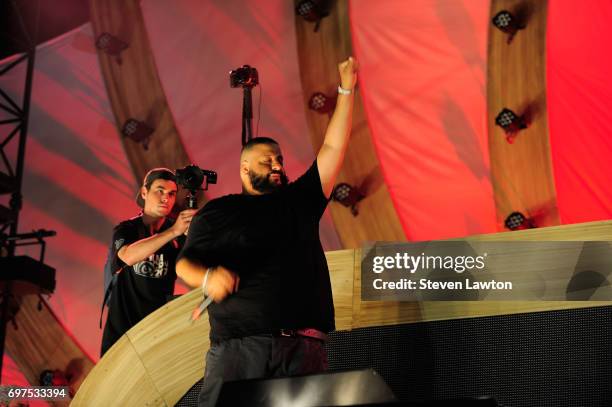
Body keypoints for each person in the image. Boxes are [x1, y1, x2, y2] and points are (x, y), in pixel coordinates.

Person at [176, 56, 358, 405]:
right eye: (267, 160)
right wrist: (207, 277)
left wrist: (346, 89)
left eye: (279, 160)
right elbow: (185, 263)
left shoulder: (299, 200)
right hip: (239, 348)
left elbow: (333, 147)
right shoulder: (219, 211)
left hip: (304, 347)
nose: (277, 165)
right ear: (244, 167)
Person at [100, 168, 197, 356]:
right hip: (122, 335)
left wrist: (196, 235)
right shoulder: (126, 229)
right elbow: (127, 256)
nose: (165, 198)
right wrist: (173, 232)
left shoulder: (178, 232)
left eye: (171, 194)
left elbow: (191, 269)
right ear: (144, 192)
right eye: (159, 191)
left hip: (155, 333)